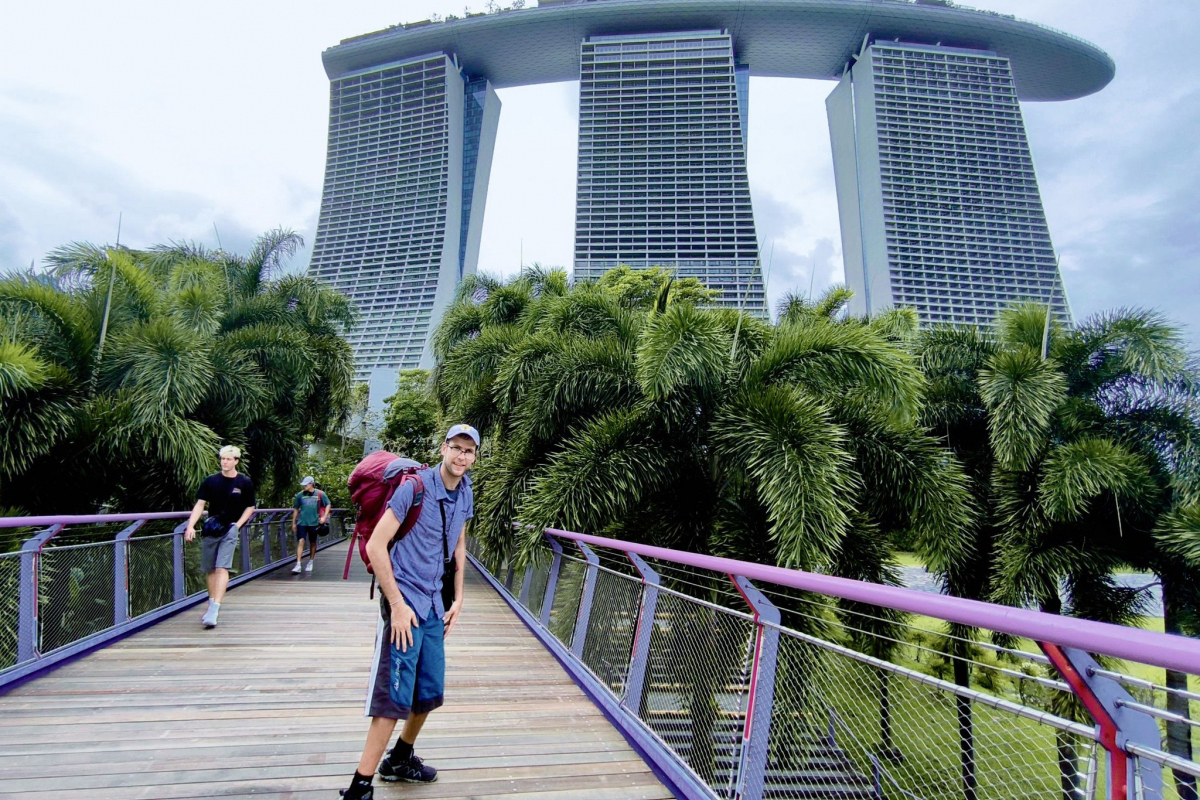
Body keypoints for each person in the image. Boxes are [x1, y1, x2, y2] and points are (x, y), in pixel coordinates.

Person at [339, 424, 476, 800]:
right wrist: (397, 606)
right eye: (456, 448)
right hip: (406, 602)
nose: (462, 456)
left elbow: (459, 541)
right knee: (393, 696)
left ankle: (400, 759)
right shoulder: (413, 488)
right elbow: (377, 546)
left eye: (469, 451)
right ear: (444, 448)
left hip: (435, 603)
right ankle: (359, 787)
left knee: (429, 689)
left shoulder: (465, 492)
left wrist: (459, 598)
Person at [185, 445, 257, 629]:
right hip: (212, 528)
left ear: (236, 461)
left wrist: (237, 525)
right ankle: (211, 603)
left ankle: (215, 608)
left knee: (221, 567)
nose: (224, 462)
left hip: (230, 529)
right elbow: (200, 504)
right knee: (210, 568)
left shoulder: (244, 482)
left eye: (228, 459)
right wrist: (190, 526)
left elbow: (250, 506)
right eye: (222, 459)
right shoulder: (210, 481)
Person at [291, 476, 330, 574]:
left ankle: (311, 561)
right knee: (301, 541)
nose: (304, 486)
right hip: (302, 522)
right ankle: (298, 564)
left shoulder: (320, 494)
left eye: (306, 484)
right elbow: (296, 508)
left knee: (313, 542)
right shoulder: (300, 495)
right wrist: (294, 522)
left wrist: (324, 517)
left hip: (314, 523)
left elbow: (328, 504)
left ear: (311, 483)